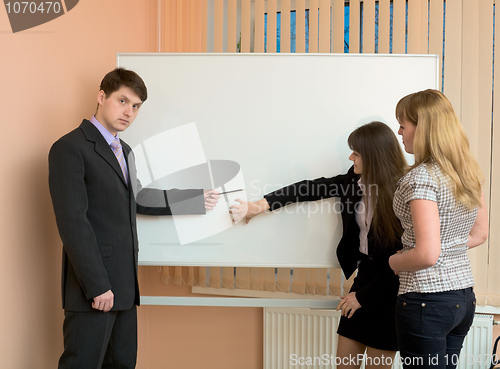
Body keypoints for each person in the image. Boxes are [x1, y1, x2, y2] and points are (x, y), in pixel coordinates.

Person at [48, 67, 219, 369]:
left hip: (125, 288)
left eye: (136, 106)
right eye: (123, 101)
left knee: (123, 364)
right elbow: (73, 224)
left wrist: (192, 198)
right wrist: (97, 285)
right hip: (94, 288)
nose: (129, 112)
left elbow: (137, 197)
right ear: (102, 97)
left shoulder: (124, 150)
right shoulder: (69, 148)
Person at [231, 121, 408, 369]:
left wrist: (362, 298)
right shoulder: (352, 181)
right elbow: (309, 188)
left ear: (373, 155)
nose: (350, 157)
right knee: (344, 364)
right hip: (365, 277)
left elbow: (403, 260)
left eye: (356, 152)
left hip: (389, 287)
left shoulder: (404, 191)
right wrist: (260, 205)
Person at [389, 89, 489, 369]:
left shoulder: (420, 178)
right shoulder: (466, 171)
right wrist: (428, 248)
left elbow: (428, 255)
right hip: (462, 299)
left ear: (423, 127)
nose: (399, 131)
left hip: (426, 300)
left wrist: (395, 260)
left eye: (403, 124)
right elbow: (478, 234)